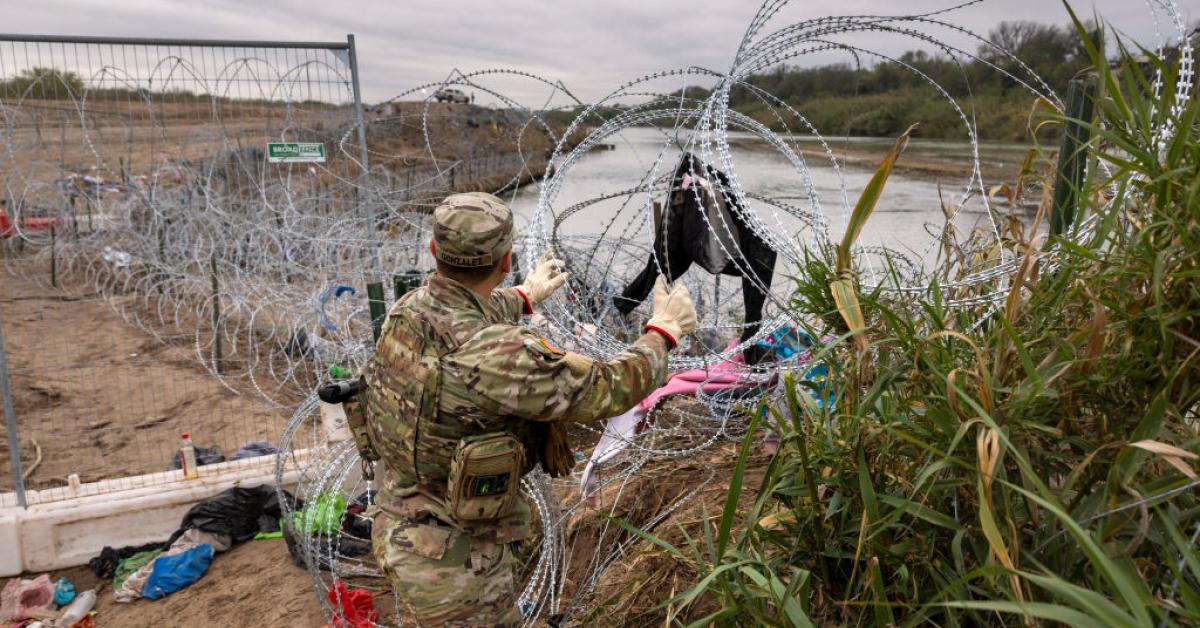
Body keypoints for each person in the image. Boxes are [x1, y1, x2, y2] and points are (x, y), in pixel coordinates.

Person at [365, 191, 697, 625]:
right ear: (506, 260)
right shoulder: (502, 354)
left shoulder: (408, 311)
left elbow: (463, 314)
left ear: (433, 251)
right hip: (457, 562)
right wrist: (663, 332)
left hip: (400, 520)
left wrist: (524, 296)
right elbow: (606, 389)